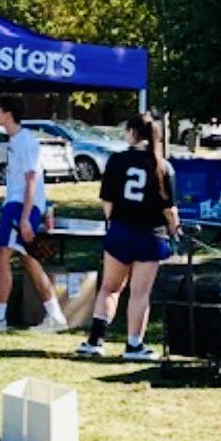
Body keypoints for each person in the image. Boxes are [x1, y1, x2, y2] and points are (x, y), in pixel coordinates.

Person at [77, 112, 179, 361]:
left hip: (121, 230)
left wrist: (114, 224)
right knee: (140, 293)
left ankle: (95, 340)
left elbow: (108, 203)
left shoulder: (117, 160)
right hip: (150, 235)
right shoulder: (162, 165)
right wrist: (175, 230)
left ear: (133, 133)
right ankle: (134, 344)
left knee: (109, 288)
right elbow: (170, 209)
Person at [0, 96, 69, 334]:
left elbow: (31, 180)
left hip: (22, 207)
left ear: (7, 113)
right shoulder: (15, 141)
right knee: (29, 260)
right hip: (17, 206)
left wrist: (25, 217)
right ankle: (55, 315)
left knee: (3, 255)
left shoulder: (26, 142)